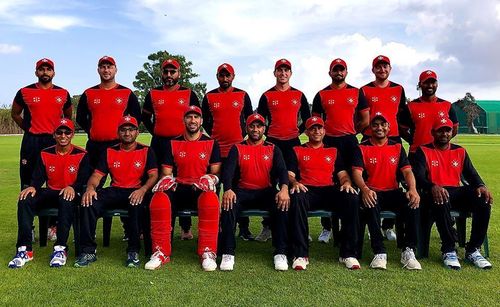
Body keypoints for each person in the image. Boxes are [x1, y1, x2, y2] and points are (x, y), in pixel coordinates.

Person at [76, 116, 158, 268]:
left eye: (131, 129)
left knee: (136, 203)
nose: (127, 133)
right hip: (116, 189)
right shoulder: (109, 151)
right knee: (88, 202)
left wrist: (143, 189)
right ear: (118, 132)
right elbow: (96, 175)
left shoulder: (146, 150)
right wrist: (90, 188)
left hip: (136, 190)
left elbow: (154, 176)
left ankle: (133, 250)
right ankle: (88, 251)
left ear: (137, 132)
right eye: (123, 130)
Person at [146, 106, 221, 271]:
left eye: (196, 117)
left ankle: (208, 252)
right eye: (189, 117)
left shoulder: (211, 142)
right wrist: (166, 180)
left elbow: (216, 172)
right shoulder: (173, 142)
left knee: (210, 199)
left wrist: (209, 178)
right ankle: (160, 252)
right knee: (159, 198)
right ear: (184, 120)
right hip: (179, 188)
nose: (192, 120)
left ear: (201, 121)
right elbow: (166, 172)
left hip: (199, 189)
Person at [8, 119, 89, 268]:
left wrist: (73, 187)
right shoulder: (45, 153)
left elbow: (84, 179)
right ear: (54, 135)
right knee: (25, 199)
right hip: (51, 191)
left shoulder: (82, 154)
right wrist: (32, 186)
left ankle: (60, 249)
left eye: (67, 132)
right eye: (59, 132)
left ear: (72, 135)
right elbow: (39, 177)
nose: (63, 135)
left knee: (66, 198)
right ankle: (24, 250)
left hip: (71, 194)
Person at [413, 118, 492, 270]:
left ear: (452, 132)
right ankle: (449, 249)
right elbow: (419, 177)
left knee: (483, 200)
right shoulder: (423, 151)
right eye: (440, 130)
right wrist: (432, 186)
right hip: (433, 193)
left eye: (447, 130)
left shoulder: (460, 151)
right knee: (441, 198)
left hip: (456, 191)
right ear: (433, 132)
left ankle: (473, 249)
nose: (444, 133)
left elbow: (471, 174)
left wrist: (481, 186)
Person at [219, 113, 290, 271]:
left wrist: (284, 188)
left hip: (266, 191)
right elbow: (228, 172)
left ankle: (280, 252)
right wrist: (228, 189)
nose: (255, 129)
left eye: (259, 126)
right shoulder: (237, 148)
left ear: (264, 129)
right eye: (252, 126)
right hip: (243, 191)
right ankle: (227, 252)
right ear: (247, 128)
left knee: (282, 205)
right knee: (228, 205)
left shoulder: (273, 148)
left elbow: (282, 171)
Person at [11, 58, 72, 241]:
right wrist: (29, 130)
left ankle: (53, 226)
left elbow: (68, 117)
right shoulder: (25, 92)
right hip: (32, 142)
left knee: (55, 182)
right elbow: (15, 114)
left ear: (54, 72)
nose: (45, 72)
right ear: (36, 72)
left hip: (53, 141)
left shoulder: (63, 93)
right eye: (41, 69)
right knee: (28, 184)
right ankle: (28, 227)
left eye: (48, 69)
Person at [288, 116, 360, 270]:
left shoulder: (333, 151)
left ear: (324, 131)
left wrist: (347, 183)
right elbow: (290, 175)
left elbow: (342, 174)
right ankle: (301, 254)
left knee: (352, 197)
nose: (317, 131)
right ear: (306, 132)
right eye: (313, 128)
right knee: (296, 196)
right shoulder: (297, 150)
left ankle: (348, 254)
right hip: (307, 189)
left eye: (319, 128)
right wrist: (295, 183)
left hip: (329, 190)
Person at [351, 113, 422, 270]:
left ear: (389, 128)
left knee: (413, 203)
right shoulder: (362, 147)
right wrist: (364, 189)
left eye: (383, 125)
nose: (379, 128)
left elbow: (407, 171)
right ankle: (379, 251)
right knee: (370, 204)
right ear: (370, 128)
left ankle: (409, 250)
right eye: (375, 125)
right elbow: (356, 172)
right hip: (372, 191)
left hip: (393, 191)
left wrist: (412, 189)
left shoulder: (396, 147)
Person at [311, 58, 369, 243]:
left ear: (346, 71)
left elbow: (365, 119)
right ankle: (327, 227)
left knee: (351, 180)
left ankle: (349, 226)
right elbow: (316, 122)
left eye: (341, 70)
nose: (339, 73)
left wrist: (352, 132)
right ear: (330, 73)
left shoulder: (356, 92)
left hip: (350, 141)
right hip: (328, 142)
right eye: (335, 70)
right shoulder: (321, 94)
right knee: (327, 180)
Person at [142, 58, 200, 241]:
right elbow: (145, 117)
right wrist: (157, 132)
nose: (169, 75)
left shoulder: (189, 93)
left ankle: (185, 227)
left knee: (183, 181)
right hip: (159, 144)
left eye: (172, 72)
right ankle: (155, 226)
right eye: (166, 72)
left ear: (179, 74)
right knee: (157, 182)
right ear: (161, 73)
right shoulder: (153, 93)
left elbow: (197, 118)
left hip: (183, 144)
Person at [256, 58, 310, 242]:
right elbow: (259, 121)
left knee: (295, 182)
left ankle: (299, 226)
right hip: (272, 142)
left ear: (291, 73)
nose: (283, 73)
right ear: (275, 73)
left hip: (293, 143)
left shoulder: (299, 95)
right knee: (270, 182)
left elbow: (308, 120)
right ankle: (268, 226)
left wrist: (297, 132)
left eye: (286, 70)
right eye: (280, 70)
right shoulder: (266, 96)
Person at [201, 63, 254, 241]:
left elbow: (249, 120)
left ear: (233, 76)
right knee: (214, 188)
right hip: (215, 150)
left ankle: (243, 228)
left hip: (237, 150)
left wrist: (240, 137)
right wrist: (215, 137)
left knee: (238, 187)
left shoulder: (243, 95)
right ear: (217, 76)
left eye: (228, 75)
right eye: (221, 75)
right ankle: (214, 226)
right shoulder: (209, 96)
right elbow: (206, 121)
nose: (225, 79)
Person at [360, 55, 408, 241]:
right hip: (370, 138)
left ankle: (388, 226)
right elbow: (361, 115)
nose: (382, 70)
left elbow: (402, 115)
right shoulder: (364, 90)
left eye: (385, 66)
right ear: (373, 70)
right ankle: (370, 220)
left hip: (393, 139)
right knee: (370, 180)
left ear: (390, 68)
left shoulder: (398, 89)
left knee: (393, 181)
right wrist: (361, 130)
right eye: (378, 67)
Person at [399, 70, 458, 159]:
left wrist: (443, 141)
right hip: (417, 154)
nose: (430, 86)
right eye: (426, 82)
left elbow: (455, 128)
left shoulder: (447, 105)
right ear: (420, 84)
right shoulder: (410, 107)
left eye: (433, 82)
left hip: (439, 154)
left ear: (437, 84)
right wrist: (413, 141)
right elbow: (402, 130)